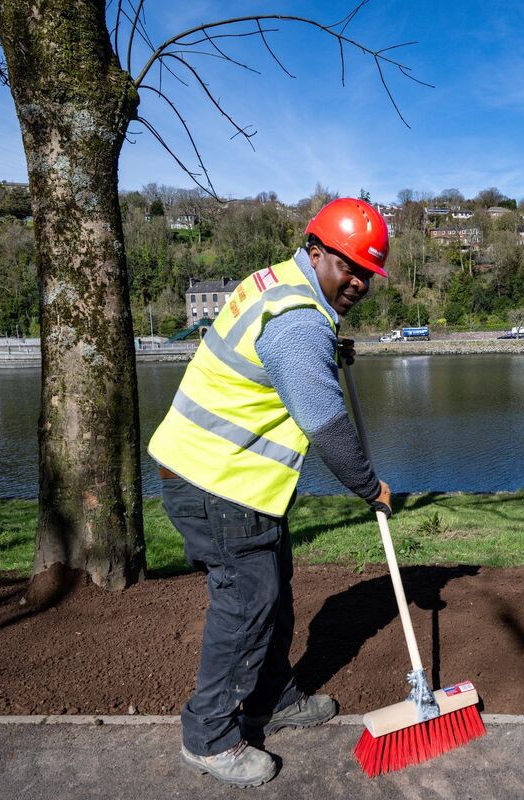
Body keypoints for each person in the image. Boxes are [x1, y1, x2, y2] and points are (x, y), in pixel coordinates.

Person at [148, 197, 394, 788]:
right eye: (349, 267)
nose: (359, 282)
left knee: (272, 591)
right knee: (246, 605)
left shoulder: (281, 286)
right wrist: (370, 487)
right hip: (216, 482)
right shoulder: (301, 322)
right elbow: (326, 425)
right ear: (316, 251)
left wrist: (328, 350)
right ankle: (209, 737)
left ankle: (272, 697)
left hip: (233, 481)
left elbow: (276, 358)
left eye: (368, 273)